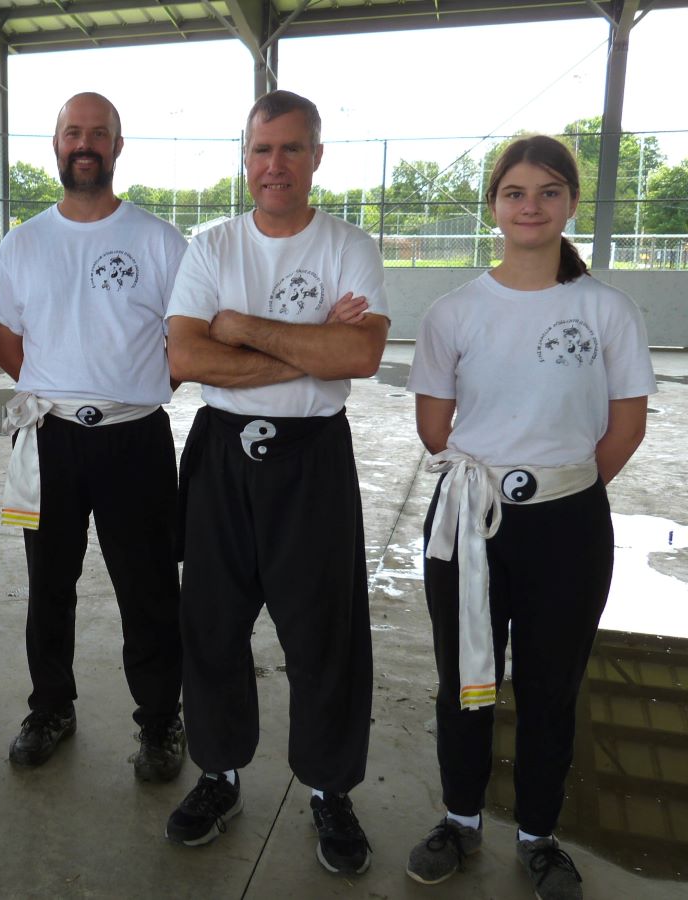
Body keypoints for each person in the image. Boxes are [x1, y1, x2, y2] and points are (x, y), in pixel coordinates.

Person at [404, 136, 654, 900]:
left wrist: (561, 490)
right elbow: (433, 429)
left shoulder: (606, 309)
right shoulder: (455, 311)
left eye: (548, 191)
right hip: (467, 523)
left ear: (572, 203)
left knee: (550, 686)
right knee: (466, 677)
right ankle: (460, 817)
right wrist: (500, 489)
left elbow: (626, 426)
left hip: (569, 526)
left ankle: (540, 834)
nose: (531, 206)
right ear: (493, 206)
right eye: (514, 192)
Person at [163, 90, 388, 873]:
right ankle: (219, 773)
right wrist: (310, 344)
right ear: (246, 157)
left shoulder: (348, 247)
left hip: (312, 459)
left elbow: (359, 358)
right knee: (213, 624)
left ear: (316, 156)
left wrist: (242, 326)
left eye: (292, 149)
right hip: (222, 455)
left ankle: (330, 789)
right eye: (262, 150)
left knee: (323, 633)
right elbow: (185, 359)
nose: (275, 165)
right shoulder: (213, 246)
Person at [0, 92, 188, 781]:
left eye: (98, 132)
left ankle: (160, 722)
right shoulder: (24, 242)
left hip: (137, 441)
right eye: (74, 132)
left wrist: (126, 391)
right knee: (49, 585)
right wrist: (58, 389)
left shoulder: (158, 240)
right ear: (57, 145)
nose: (86, 142)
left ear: (118, 146)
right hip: (49, 441)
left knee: (150, 587)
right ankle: (51, 708)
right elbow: (6, 337)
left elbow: (182, 343)